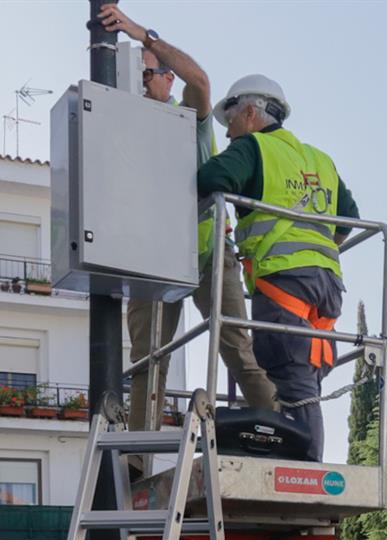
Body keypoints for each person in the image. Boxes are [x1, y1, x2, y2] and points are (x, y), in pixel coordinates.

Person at [99, 5, 280, 430]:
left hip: (209, 252)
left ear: (167, 77)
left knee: (235, 347)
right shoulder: (128, 130)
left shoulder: (189, 118)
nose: (143, 84)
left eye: (148, 74)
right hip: (153, 258)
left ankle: (279, 428)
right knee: (147, 360)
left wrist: (144, 35)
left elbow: (200, 82)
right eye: (137, 76)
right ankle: (138, 457)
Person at [198, 72, 359, 459]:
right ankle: (297, 464)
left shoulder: (253, 148)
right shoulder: (318, 159)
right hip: (326, 289)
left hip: (283, 284)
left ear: (251, 112)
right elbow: (349, 219)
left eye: (232, 119)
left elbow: (210, 177)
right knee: (303, 381)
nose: (230, 132)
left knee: (293, 383)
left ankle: (305, 473)